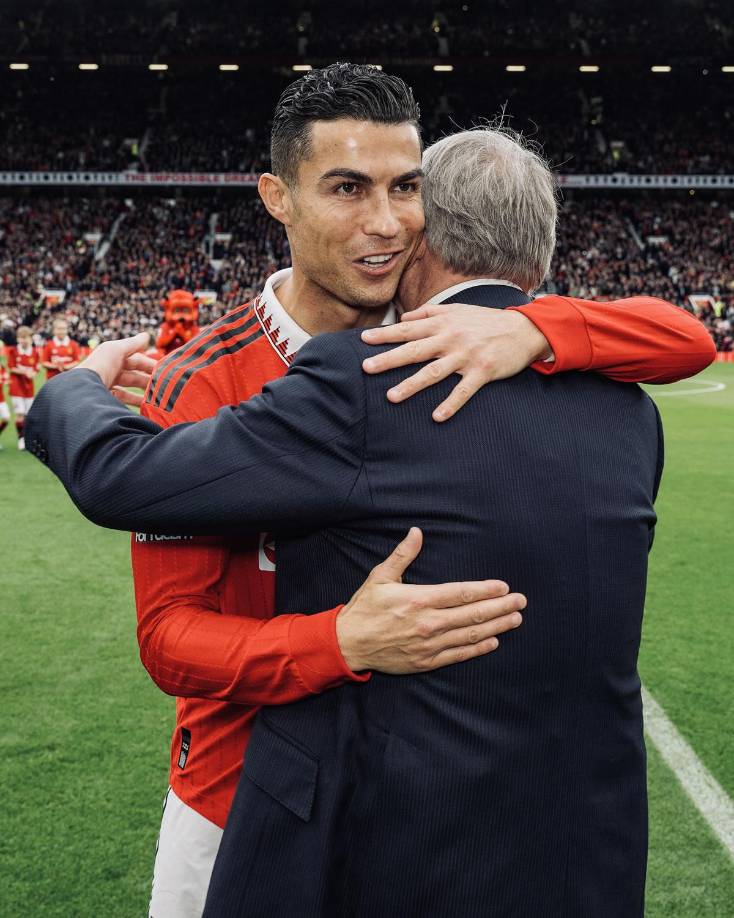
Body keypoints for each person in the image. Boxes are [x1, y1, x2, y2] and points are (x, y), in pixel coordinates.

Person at [25, 123, 713, 917]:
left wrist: (72, 385)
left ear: (421, 240)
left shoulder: (368, 383)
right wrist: (541, 325)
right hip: (579, 847)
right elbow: (170, 634)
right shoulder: (629, 412)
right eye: (351, 192)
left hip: (370, 831)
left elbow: (121, 478)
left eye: (399, 200)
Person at [8, 326, 40, 450]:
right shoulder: (13, 351)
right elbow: (11, 367)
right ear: (17, 339)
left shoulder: (34, 352)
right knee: (20, 413)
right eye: (20, 338)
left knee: (28, 414)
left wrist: (33, 373)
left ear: (30, 339)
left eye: (25, 338)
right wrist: (25, 372)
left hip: (29, 387)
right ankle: (21, 439)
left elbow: (36, 367)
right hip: (16, 386)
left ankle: (27, 437)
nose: (23, 340)